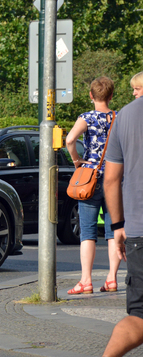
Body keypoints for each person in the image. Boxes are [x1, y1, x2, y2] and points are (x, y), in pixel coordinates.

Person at [85, 79, 143, 357]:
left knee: (139, 314)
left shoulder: (126, 118)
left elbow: (111, 179)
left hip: (137, 230)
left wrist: (118, 226)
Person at [65, 76, 119, 295]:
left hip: (91, 179)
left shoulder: (87, 118)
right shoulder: (118, 117)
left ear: (91, 96)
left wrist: (77, 160)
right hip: (115, 179)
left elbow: (69, 140)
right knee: (113, 231)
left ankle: (86, 280)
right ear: (111, 95)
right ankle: (112, 279)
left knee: (87, 231)